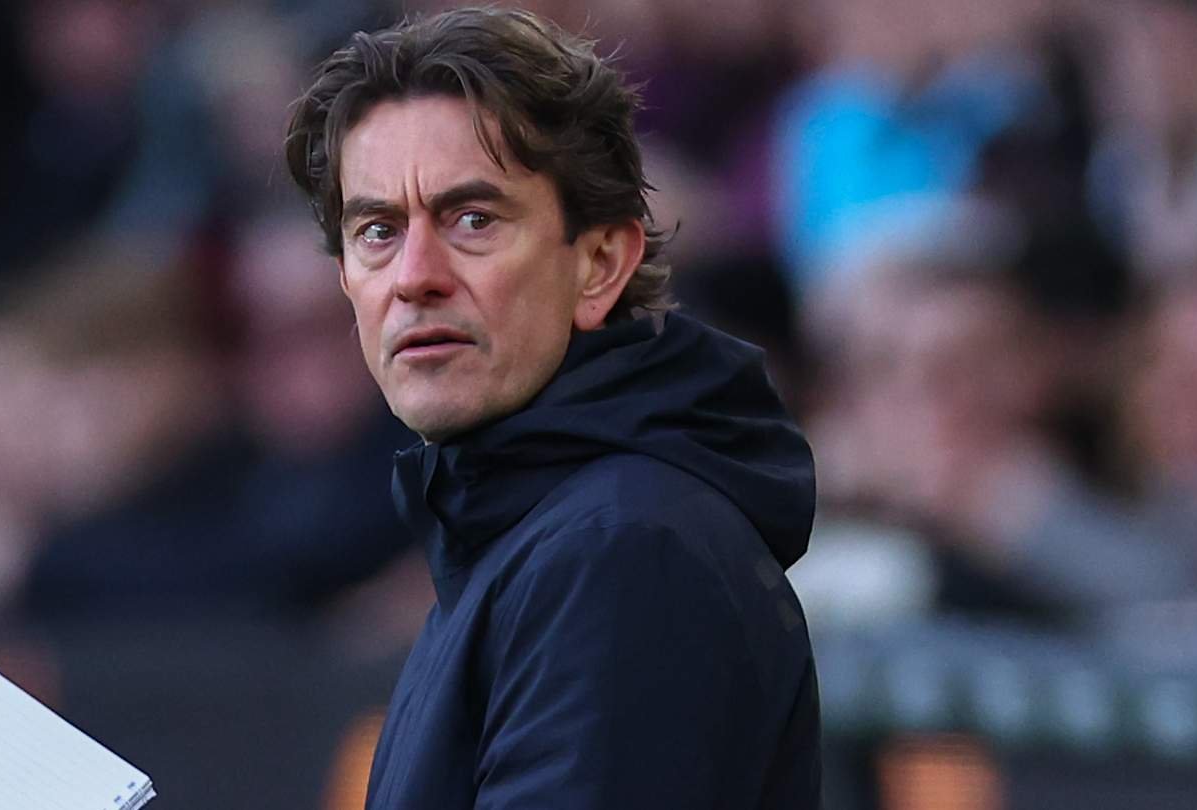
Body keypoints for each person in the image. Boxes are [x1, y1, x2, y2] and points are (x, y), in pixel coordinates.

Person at [284, 8, 819, 808]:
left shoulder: (621, 550)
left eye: (473, 220)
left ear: (601, 263)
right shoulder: (533, 528)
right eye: (377, 230)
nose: (414, 275)